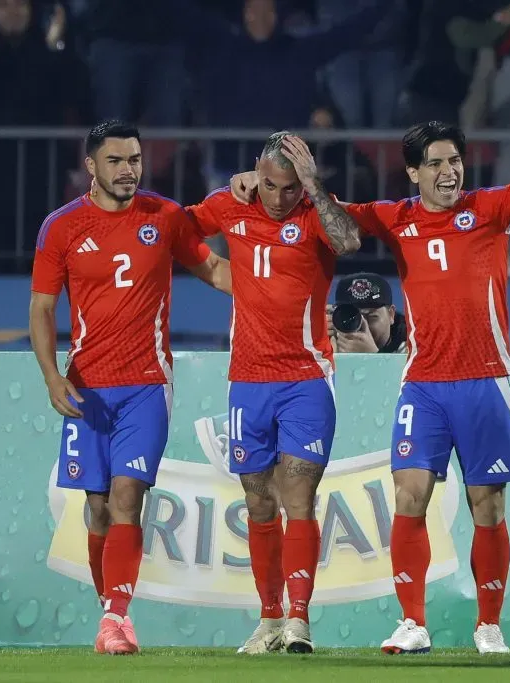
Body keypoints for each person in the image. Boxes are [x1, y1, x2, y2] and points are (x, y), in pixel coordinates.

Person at [230, 103, 510, 655]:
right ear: (413, 172)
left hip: (486, 380)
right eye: (437, 163)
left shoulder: (490, 208)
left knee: (487, 505)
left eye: (456, 160)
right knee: (410, 495)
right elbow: (328, 220)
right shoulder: (394, 216)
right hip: (423, 384)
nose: (450, 171)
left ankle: (488, 625)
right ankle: (412, 623)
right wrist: (248, 182)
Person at [28, 120, 231, 655]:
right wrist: (51, 376)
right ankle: (112, 615)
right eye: (116, 161)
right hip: (87, 386)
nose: (128, 170)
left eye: (135, 159)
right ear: (91, 166)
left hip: (147, 384)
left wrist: (276, 284)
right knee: (96, 506)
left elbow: (212, 270)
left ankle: (116, 616)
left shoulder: (163, 216)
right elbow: (43, 307)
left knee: (126, 496)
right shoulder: (61, 227)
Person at [185, 132, 361, 655]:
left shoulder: (314, 212)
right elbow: (176, 231)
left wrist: (314, 186)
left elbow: (350, 241)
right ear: (255, 174)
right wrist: (215, 270)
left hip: (307, 379)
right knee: (259, 503)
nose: (280, 197)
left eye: (289, 187)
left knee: (298, 496)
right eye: (270, 185)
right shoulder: (230, 204)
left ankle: (299, 620)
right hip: (247, 382)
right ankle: (267, 620)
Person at [328, 272, 407, 353]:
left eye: (371, 317)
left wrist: (372, 356)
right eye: (351, 317)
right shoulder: (330, 341)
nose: (361, 325)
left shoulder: (411, 347)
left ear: (391, 315)